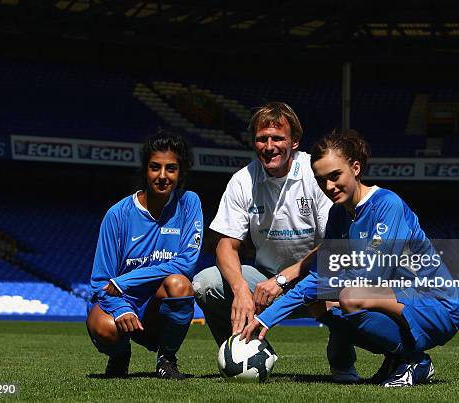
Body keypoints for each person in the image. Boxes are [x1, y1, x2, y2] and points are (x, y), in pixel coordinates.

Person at [241, 130, 459, 387]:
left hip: (436, 304)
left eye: (335, 176)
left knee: (350, 296)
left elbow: (371, 276)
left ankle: (415, 361)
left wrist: (327, 286)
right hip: (395, 298)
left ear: (355, 168)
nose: (329, 187)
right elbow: (322, 275)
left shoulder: (387, 205)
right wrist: (267, 318)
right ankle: (397, 358)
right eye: (321, 180)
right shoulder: (338, 215)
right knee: (320, 304)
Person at [193, 102, 360, 382]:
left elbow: (335, 242)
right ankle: (242, 355)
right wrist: (240, 291)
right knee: (205, 283)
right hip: (264, 283)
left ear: (294, 141)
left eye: (277, 138)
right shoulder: (242, 180)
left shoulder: (315, 172)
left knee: (349, 295)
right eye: (262, 139)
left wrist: (285, 278)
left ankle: (343, 361)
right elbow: (225, 244)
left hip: (317, 278)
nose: (269, 146)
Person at [86, 130, 203, 380]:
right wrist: (120, 309)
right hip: (121, 305)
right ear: (145, 170)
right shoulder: (117, 215)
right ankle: (119, 355)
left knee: (180, 285)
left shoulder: (189, 203)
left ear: (180, 172)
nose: (162, 176)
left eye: (171, 168)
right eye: (155, 167)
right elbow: (99, 282)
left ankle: (166, 359)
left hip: (157, 308)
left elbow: (185, 263)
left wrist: (125, 280)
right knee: (103, 328)